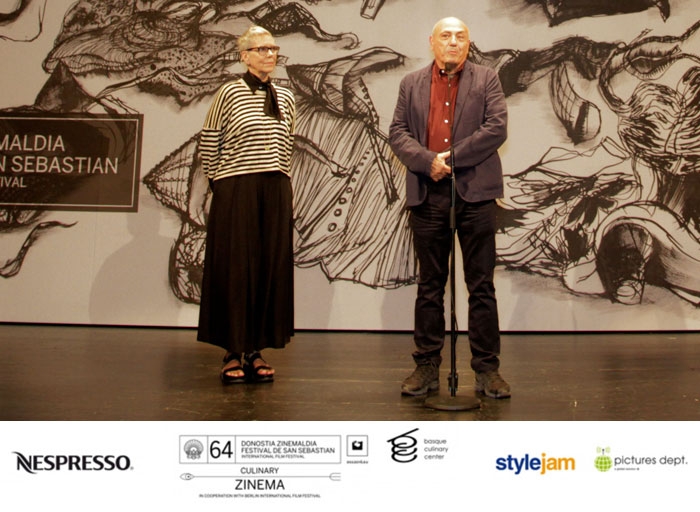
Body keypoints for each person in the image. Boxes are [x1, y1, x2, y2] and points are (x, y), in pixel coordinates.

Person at [388, 17, 510, 398]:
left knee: (481, 286)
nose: (453, 42)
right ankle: (426, 367)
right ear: (433, 42)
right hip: (428, 193)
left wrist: (451, 159)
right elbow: (397, 133)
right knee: (429, 286)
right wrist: (428, 162)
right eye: (446, 36)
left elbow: (496, 127)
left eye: (460, 36)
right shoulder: (411, 83)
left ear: (468, 44)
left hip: (476, 194)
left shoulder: (487, 78)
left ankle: (487, 370)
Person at [197, 26, 296, 384]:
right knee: (237, 266)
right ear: (244, 56)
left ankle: (255, 348)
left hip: (275, 185)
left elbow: (288, 142)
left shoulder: (286, 96)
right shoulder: (229, 92)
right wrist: (220, 181)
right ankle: (232, 350)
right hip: (236, 185)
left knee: (269, 265)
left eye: (273, 48)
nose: (270, 54)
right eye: (261, 49)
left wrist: (279, 177)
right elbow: (210, 140)